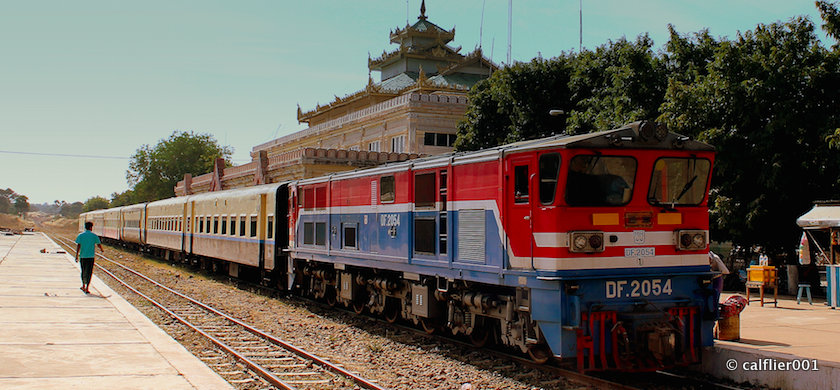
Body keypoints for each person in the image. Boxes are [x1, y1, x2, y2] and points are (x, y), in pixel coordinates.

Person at [75, 221, 104, 294]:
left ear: (85, 227)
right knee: (89, 272)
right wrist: (102, 250)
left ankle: (83, 285)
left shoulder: (81, 235)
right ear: (91, 227)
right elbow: (98, 244)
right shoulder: (94, 236)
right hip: (91, 257)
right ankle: (87, 287)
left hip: (83, 256)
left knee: (83, 271)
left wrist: (76, 256)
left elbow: (78, 245)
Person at [709, 250, 730, 316]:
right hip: (712, 280)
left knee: (715, 297)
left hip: (717, 279)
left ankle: (715, 314)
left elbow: (724, 270)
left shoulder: (715, 258)